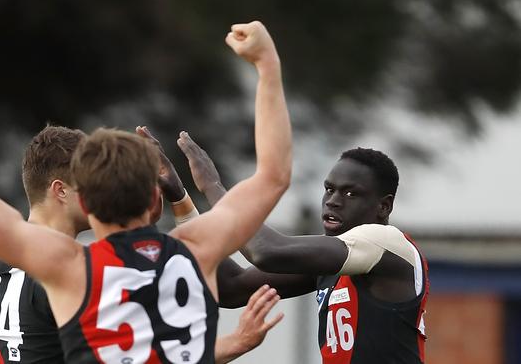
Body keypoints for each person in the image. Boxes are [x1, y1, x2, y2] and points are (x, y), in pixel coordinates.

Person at [0, 20, 292, 364]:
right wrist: (267, 64)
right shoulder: (197, 251)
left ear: (88, 203)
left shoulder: (67, 268)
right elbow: (273, 176)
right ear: (155, 199)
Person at [0, 125, 283, 363]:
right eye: (90, 182)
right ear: (61, 191)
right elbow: (148, 354)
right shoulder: (71, 272)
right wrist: (236, 342)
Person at [175, 134, 430, 364]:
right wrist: (181, 202)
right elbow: (230, 288)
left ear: (384, 207)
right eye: (329, 189)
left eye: (350, 194)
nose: (333, 201)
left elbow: (266, 251)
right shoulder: (337, 258)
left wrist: (212, 186)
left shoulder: (385, 242)